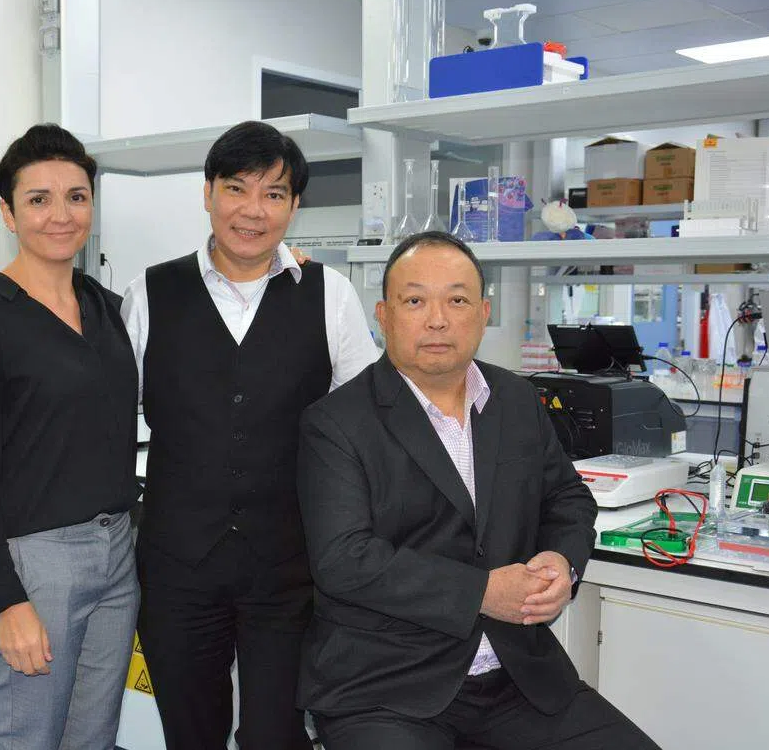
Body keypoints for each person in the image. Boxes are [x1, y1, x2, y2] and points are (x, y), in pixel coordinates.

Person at [295, 231, 662, 750]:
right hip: (386, 689)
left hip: (519, 682)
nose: (438, 319)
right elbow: (344, 560)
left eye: (458, 300)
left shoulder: (516, 399)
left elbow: (567, 499)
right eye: (416, 300)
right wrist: (485, 593)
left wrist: (563, 561)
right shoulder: (335, 423)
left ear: (484, 313)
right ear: (384, 314)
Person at [120, 120, 379, 750]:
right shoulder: (149, 293)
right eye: (237, 189)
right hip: (178, 566)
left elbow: (370, 426)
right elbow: (107, 420)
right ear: (207, 193)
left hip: (290, 569)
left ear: (294, 206)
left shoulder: (331, 296)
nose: (253, 211)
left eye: (274, 194)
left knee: (277, 734)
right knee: (190, 731)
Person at [0, 124, 139, 750]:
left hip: (117, 553)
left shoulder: (107, 308)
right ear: (8, 211)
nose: (61, 215)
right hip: (36, 562)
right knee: (27, 737)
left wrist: (276, 268)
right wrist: (6, 600)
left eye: (77, 197)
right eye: (39, 199)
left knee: (93, 738)